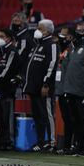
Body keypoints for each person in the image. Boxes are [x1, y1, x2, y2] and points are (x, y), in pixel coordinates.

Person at [62, 21, 84, 156]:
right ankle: (79, 144)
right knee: (75, 120)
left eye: (83, 29)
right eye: (78, 29)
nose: (79, 31)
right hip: (71, 89)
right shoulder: (73, 48)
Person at [23, 19, 59, 152]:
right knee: (37, 115)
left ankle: (52, 142)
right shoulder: (36, 45)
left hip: (44, 88)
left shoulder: (52, 45)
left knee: (47, 115)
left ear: (48, 31)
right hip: (33, 87)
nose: (38, 31)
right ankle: (40, 141)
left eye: (41, 28)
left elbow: (52, 65)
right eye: (38, 28)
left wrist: (46, 84)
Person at [0, 28, 20, 150]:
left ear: (9, 38)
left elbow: (7, 70)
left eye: (2, 36)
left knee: (8, 115)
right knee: (0, 115)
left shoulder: (12, 51)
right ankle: (2, 139)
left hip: (7, 88)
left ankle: (9, 141)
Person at [54, 27, 76, 155]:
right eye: (61, 35)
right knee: (65, 117)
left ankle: (70, 145)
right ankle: (65, 145)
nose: (62, 38)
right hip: (61, 89)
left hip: (69, 89)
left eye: (65, 35)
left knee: (70, 118)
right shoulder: (59, 49)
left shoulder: (73, 50)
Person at [10, 12, 35, 85]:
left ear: (23, 23)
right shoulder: (15, 36)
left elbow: (20, 56)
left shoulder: (25, 38)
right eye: (13, 21)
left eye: (16, 21)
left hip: (22, 73)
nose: (13, 24)